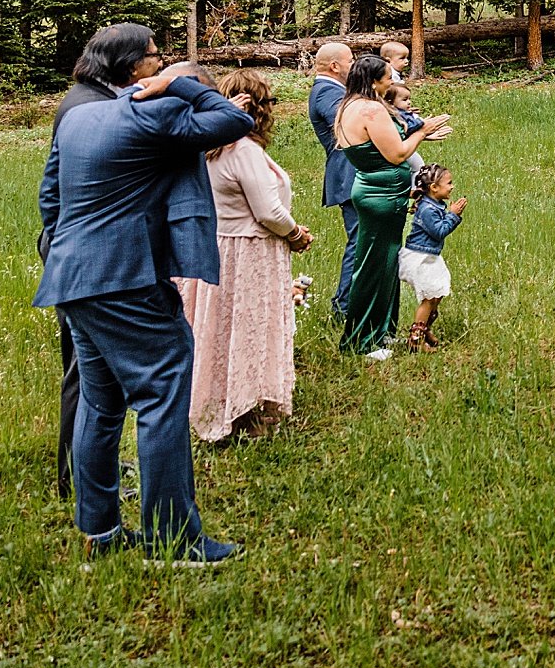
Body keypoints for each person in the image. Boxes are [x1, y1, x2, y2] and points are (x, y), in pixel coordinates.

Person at [35, 61, 255, 564]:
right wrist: (178, 86)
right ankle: (172, 539)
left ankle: (100, 531)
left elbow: (51, 196)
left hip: (72, 276)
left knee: (100, 400)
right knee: (162, 391)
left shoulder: (80, 118)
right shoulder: (160, 117)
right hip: (124, 278)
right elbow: (235, 122)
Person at [40, 23, 163, 501]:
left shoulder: (90, 97)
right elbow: (54, 191)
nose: (159, 63)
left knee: (96, 374)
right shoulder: (90, 105)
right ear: (129, 63)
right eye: (153, 55)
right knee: (84, 374)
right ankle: (77, 473)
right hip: (87, 256)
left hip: (76, 249)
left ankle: (95, 464)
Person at [177, 70, 313, 444]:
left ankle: (221, 403)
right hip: (250, 250)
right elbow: (267, 211)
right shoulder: (243, 150)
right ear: (257, 108)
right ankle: (246, 412)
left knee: (223, 329)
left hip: (221, 244)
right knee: (250, 327)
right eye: (269, 103)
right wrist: (296, 234)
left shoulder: (210, 148)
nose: (272, 112)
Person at [335, 54, 449, 357]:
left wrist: (419, 133)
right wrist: (422, 132)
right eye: (388, 76)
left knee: (386, 264)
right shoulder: (371, 109)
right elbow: (397, 154)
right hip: (380, 195)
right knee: (373, 266)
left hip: (382, 191)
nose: (392, 81)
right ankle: (361, 340)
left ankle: (381, 330)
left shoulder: (350, 105)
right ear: (374, 80)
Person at [307, 42, 357, 319]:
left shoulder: (334, 90)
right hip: (348, 174)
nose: (355, 64)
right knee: (360, 244)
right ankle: (345, 308)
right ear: (335, 66)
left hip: (353, 173)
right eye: (351, 60)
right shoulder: (327, 91)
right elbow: (345, 122)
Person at [399, 163, 465, 353]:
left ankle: (425, 329)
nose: (452, 186)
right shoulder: (428, 209)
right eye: (449, 183)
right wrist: (453, 215)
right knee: (429, 298)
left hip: (429, 255)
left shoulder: (434, 204)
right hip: (420, 257)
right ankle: (415, 340)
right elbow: (439, 231)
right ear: (434, 187)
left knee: (436, 294)